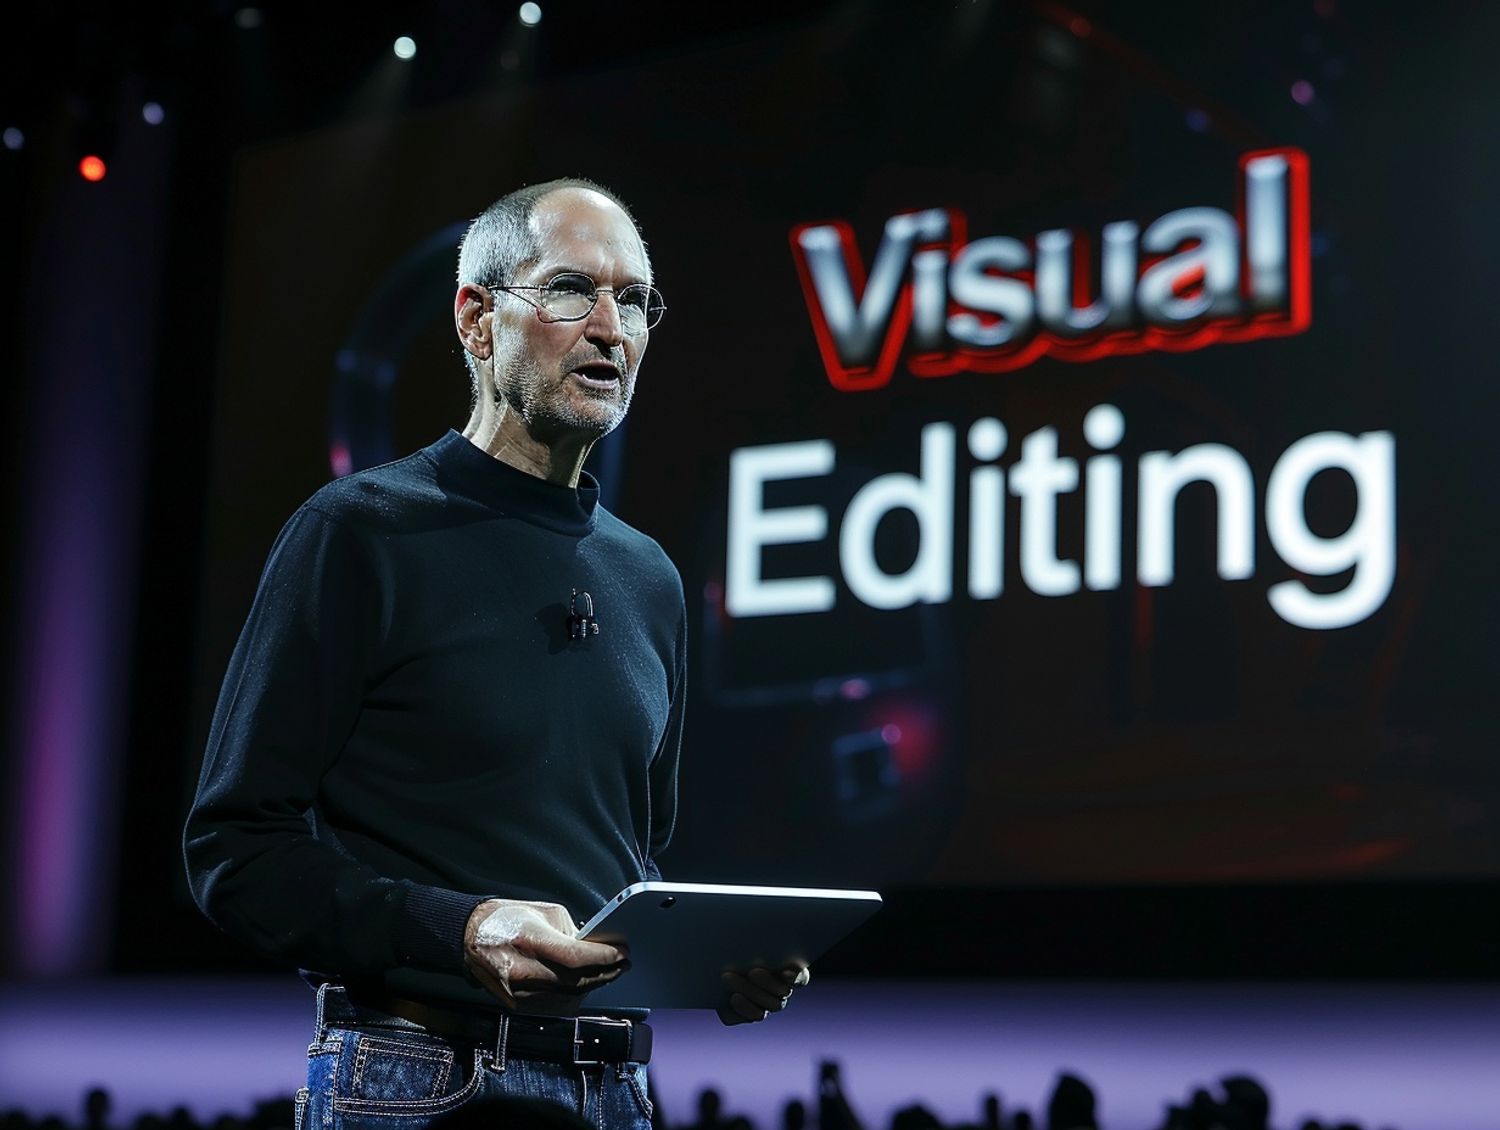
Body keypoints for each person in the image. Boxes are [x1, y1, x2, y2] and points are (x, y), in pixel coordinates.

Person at [183, 178, 808, 1129]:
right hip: (413, 1079)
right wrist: (460, 929)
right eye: (570, 291)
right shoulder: (357, 534)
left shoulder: (652, 579)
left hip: (615, 1091)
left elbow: (627, 870)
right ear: (477, 321)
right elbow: (233, 851)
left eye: (634, 300)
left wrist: (703, 964)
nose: (611, 328)